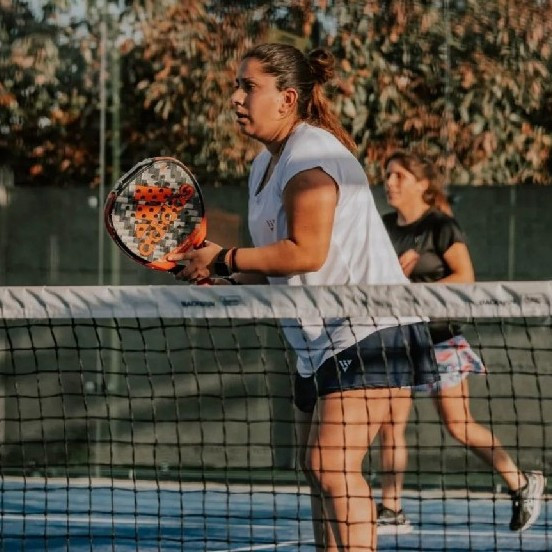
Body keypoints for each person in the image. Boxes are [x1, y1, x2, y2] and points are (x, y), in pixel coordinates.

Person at [168, 43, 438, 551]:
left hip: (370, 329)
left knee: (329, 465)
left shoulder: (311, 154)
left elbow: (307, 252)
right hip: (316, 340)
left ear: (287, 98)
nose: (236, 98)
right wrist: (223, 275)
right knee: (318, 473)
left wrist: (225, 258)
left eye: (249, 87)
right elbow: (276, 266)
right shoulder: (262, 167)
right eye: (236, 86)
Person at [377, 150, 546, 534]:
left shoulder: (441, 226)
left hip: (440, 340)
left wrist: (414, 291)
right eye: (387, 175)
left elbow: (464, 278)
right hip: (399, 339)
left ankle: (521, 483)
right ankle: (392, 508)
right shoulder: (383, 228)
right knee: (390, 424)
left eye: (399, 175)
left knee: (458, 425)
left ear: (422, 184)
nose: (389, 182)